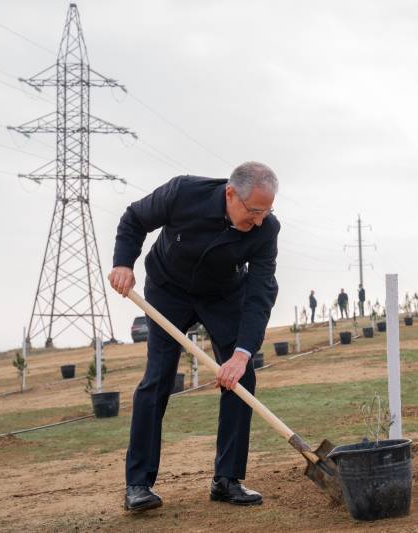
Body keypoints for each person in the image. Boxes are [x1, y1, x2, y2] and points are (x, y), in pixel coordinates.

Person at [109, 162, 280, 512]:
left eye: (267, 211)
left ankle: (227, 479)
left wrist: (242, 353)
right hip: (168, 290)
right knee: (158, 378)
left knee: (240, 376)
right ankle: (138, 484)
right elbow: (133, 219)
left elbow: (261, 291)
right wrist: (123, 262)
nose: (260, 220)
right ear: (231, 194)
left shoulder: (266, 230)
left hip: (223, 295)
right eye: (254, 211)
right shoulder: (183, 193)